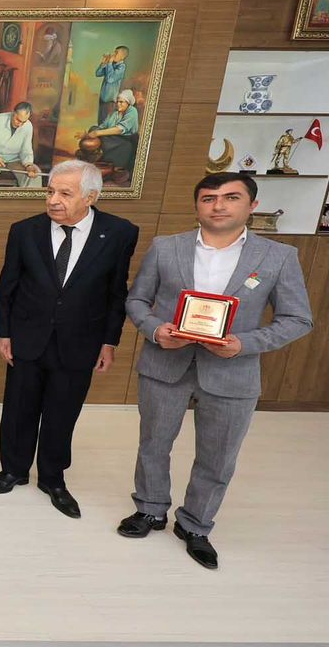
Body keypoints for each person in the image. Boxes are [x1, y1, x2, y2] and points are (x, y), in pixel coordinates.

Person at [119, 173, 312, 570]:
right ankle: (150, 509)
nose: (219, 205)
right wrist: (155, 330)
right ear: (197, 205)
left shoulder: (278, 256)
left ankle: (196, 525)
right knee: (153, 443)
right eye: (208, 198)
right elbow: (137, 300)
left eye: (231, 197)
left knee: (218, 456)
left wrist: (245, 344)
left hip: (233, 372)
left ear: (252, 206)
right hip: (165, 364)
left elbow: (297, 319)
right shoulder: (166, 247)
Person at [0, 160, 138, 518]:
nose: (53, 200)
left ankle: (53, 479)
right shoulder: (25, 231)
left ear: (91, 197)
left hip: (81, 340)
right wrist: (3, 332)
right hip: (27, 336)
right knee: (19, 407)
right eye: (50, 191)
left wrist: (110, 342)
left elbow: (116, 293)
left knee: (62, 412)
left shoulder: (119, 233)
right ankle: (13, 469)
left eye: (65, 194)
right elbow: (7, 287)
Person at [86, 88, 140, 171]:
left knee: (102, 137)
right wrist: (91, 132)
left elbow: (119, 129)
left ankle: (113, 164)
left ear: (128, 103)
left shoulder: (132, 111)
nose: (118, 104)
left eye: (121, 102)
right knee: (93, 128)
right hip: (114, 137)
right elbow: (103, 126)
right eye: (117, 102)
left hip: (127, 140)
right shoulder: (115, 113)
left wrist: (97, 133)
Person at [95, 45, 129, 123]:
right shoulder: (111, 65)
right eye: (114, 52)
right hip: (103, 98)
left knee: (106, 123)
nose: (113, 54)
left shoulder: (121, 67)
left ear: (122, 57)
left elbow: (110, 79)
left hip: (110, 101)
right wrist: (103, 62)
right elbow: (98, 73)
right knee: (100, 121)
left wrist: (109, 63)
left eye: (116, 53)